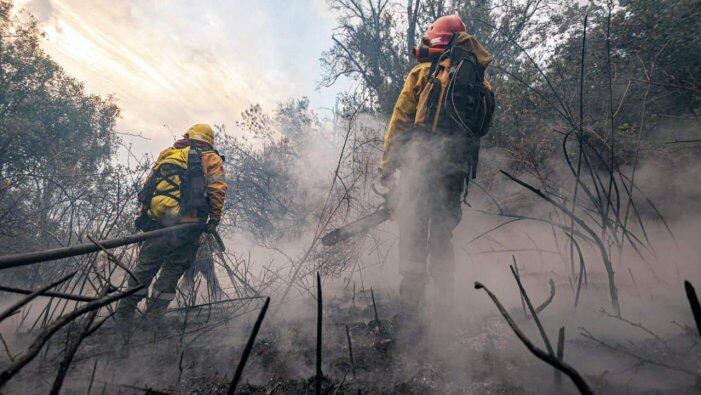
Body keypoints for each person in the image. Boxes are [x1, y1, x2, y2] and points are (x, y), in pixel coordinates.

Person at [380, 15, 494, 329]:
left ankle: (412, 311)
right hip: (454, 171)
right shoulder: (479, 80)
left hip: (421, 168)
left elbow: (400, 120)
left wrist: (388, 166)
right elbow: (480, 128)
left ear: (436, 40)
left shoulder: (423, 73)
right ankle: (444, 307)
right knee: (442, 234)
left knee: (414, 234)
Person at [115, 123, 228, 321]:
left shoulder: (168, 154)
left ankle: (123, 315)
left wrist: (145, 216)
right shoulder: (211, 158)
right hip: (188, 226)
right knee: (172, 269)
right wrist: (214, 219)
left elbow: (149, 186)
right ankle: (153, 318)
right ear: (209, 141)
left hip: (158, 224)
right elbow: (217, 189)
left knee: (144, 269)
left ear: (189, 135)